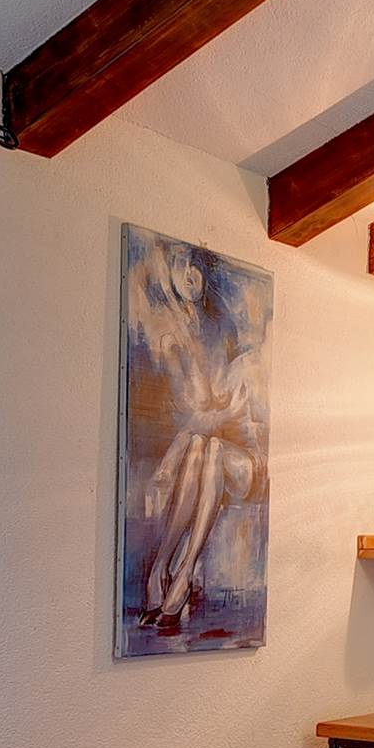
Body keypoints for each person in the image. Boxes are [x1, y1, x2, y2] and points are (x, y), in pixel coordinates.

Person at [128, 238, 264, 634]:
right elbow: (198, 418)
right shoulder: (183, 337)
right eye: (178, 265)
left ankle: (179, 569)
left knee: (212, 445)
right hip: (209, 450)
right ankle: (165, 571)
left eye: (196, 267)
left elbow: (226, 414)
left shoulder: (228, 335)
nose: (189, 276)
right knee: (206, 446)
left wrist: (174, 456)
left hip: (249, 462)